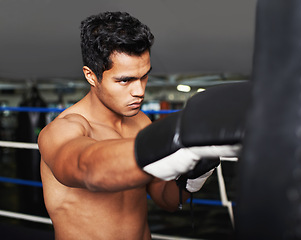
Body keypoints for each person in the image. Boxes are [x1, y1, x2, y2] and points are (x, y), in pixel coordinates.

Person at [38, 11, 231, 240]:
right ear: (91, 76)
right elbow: (86, 167)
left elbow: (166, 200)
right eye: (125, 80)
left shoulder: (140, 122)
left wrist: (196, 175)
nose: (139, 91)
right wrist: (172, 138)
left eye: (144, 77)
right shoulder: (63, 130)